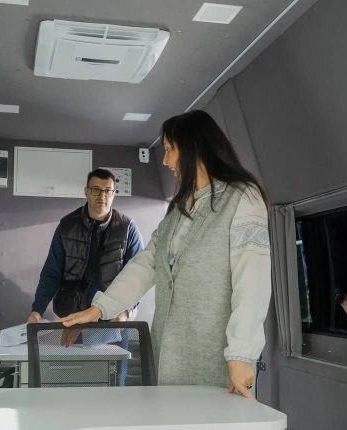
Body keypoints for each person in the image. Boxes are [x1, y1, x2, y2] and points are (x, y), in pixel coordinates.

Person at [59, 110, 271, 399]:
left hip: (217, 357)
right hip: (168, 353)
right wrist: (100, 309)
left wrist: (242, 353)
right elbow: (147, 263)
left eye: (169, 149)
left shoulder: (242, 197)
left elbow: (252, 282)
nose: (165, 160)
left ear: (192, 147)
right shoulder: (179, 208)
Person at [28, 169, 144, 327]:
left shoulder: (128, 229)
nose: (102, 196)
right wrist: (37, 310)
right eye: (96, 190)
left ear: (113, 194)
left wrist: (126, 312)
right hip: (71, 316)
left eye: (107, 191)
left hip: (111, 318)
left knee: (116, 346)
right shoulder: (67, 226)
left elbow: (137, 277)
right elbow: (51, 272)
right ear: (86, 192)